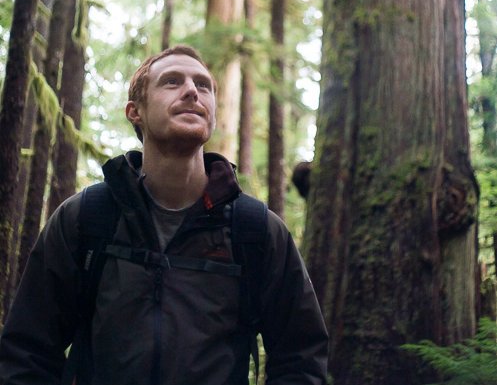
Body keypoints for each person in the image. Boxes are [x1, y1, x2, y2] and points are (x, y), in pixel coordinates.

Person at [0, 45, 328, 385]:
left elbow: (301, 358)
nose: (191, 91)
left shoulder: (255, 229)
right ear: (135, 111)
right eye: (172, 81)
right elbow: (28, 351)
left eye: (204, 86)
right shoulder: (88, 218)